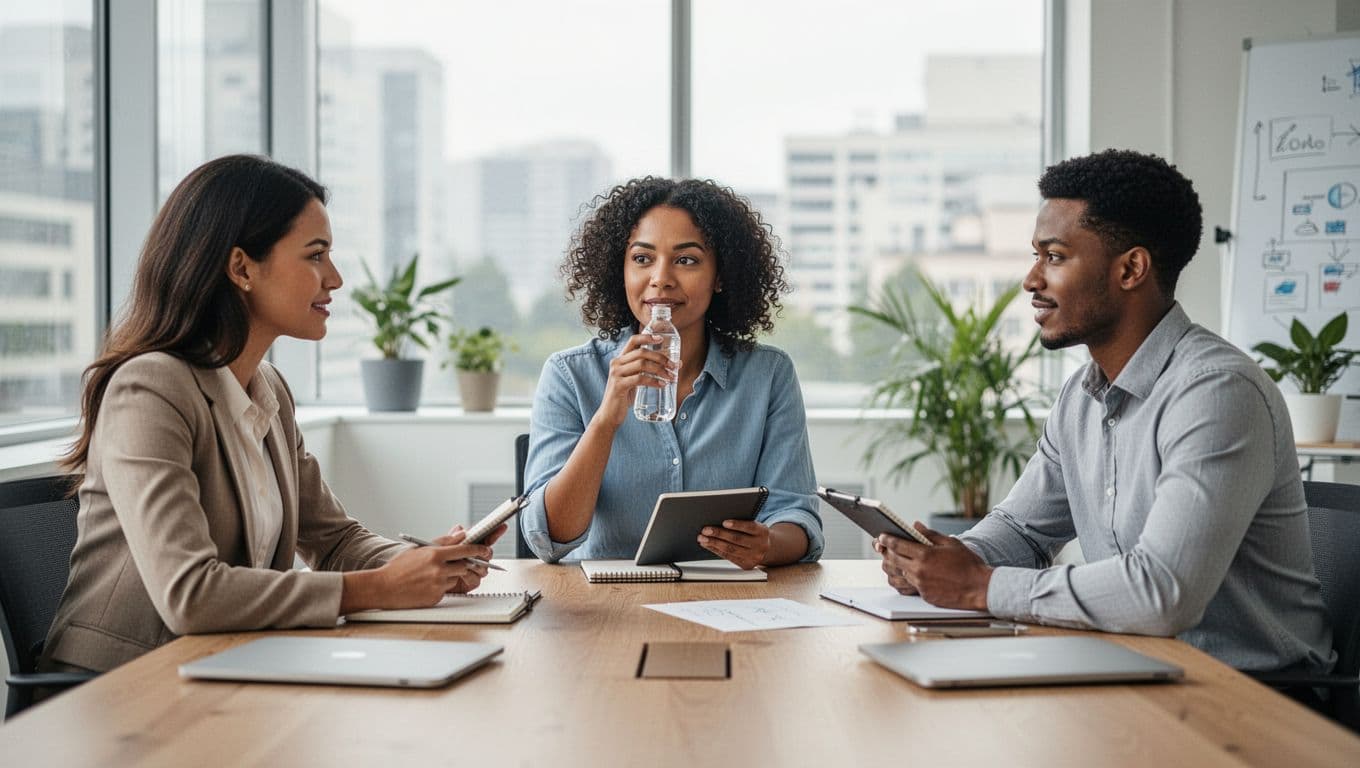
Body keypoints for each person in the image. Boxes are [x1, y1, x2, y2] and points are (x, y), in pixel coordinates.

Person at [874, 149, 1335, 675]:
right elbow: (1023, 530)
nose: (1031, 280)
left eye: (1054, 257)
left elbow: (1163, 592)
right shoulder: (1081, 396)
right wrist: (947, 559)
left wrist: (980, 586)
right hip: (1135, 668)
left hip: (1251, 693)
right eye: (1036, 256)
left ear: (1131, 269)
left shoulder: (1216, 392)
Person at [41, 155, 505, 676]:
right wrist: (378, 587)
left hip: (223, 665)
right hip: (123, 684)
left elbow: (335, 540)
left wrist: (420, 565)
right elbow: (190, 594)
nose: (335, 278)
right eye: (316, 255)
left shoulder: (269, 391)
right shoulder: (150, 387)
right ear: (242, 268)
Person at [521, 177, 823, 567]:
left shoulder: (768, 376)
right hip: (605, 600)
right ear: (620, 270)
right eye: (642, 259)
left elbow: (797, 516)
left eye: (686, 260)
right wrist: (606, 420)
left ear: (720, 275)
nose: (661, 277)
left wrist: (767, 545)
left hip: (727, 599)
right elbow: (549, 540)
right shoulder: (568, 375)